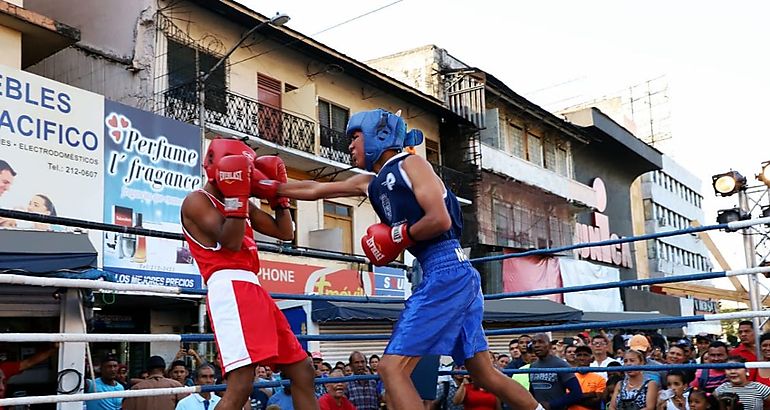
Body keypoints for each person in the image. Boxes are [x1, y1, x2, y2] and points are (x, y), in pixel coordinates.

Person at [265, 108, 542, 410]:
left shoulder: (412, 163)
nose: (349, 146)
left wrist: (398, 236)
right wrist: (266, 187)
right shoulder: (370, 182)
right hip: (451, 274)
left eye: (354, 137)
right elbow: (316, 188)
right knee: (483, 372)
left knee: (390, 368)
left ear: (377, 135)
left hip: (446, 272)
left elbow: (440, 219)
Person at [180, 138, 317, 410]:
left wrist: (280, 200)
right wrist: (238, 197)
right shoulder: (196, 201)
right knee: (241, 382)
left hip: (253, 288)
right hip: (229, 287)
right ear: (214, 165)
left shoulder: (241, 203)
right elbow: (230, 242)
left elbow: (284, 232)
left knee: (303, 368)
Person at [529, 333, 583, 410]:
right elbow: (532, 392)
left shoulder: (561, 364)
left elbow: (576, 393)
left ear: (550, 345)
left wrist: (551, 405)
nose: (537, 345)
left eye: (541, 342)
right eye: (534, 343)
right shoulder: (533, 366)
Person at [0, 344, 57, 409]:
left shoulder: (3, 368)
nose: (3, 387)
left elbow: (28, 363)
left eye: (4, 382)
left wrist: (54, 349)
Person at [570, 345, 606, 410]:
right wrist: (591, 394)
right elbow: (564, 399)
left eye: (585, 355)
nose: (582, 358)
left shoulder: (600, 379)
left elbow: (596, 401)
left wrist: (573, 397)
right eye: (579, 355)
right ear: (575, 358)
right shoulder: (568, 377)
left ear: (592, 359)